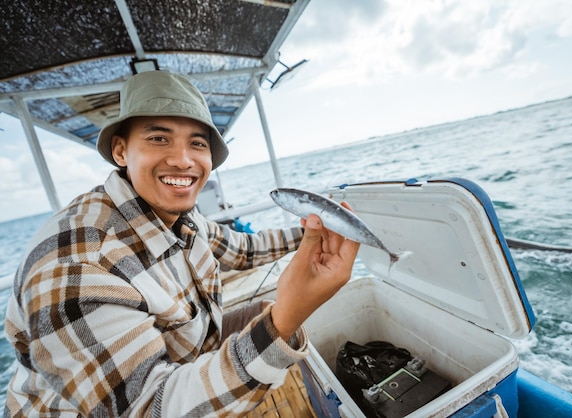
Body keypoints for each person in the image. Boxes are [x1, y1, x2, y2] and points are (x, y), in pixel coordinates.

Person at [4, 71, 360, 416]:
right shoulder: (76, 265)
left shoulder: (182, 220)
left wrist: (318, 231)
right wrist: (284, 319)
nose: (183, 160)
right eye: (159, 138)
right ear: (121, 151)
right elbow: (149, 407)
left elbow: (244, 249)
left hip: (185, 357)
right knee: (275, 320)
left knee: (266, 310)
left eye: (197, 143)